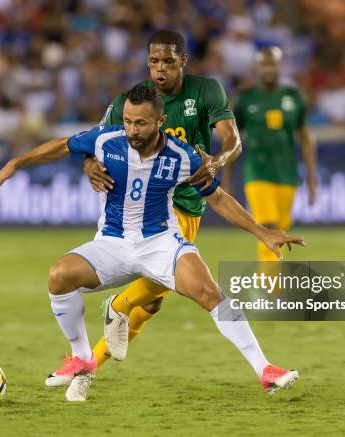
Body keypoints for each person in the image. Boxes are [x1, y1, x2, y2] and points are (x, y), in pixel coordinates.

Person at [0, 84, 304, 401]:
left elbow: (218, 198)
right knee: (58, 277)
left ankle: (264, 369)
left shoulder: (183, 155)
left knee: (209, 292)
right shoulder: (107, 140)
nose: (132, 129)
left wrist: (262, 231)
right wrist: (16, 163)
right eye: (127, 121)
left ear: (160, 121)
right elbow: (62, 146)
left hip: (161, 243)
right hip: (112, 243)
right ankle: (81, 356)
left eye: (140, 123)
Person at [83, 29, 244, 367]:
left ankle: (89, 364)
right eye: (154, 61)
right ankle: (103, 336)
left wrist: (218, 160)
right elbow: (92, 141)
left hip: (187, 201)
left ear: (183, 61)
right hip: (143, 203)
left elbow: (232, 140)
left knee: (153, 302)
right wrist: (89, 164)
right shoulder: (131, 101)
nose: (160, 69)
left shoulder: (205, 91)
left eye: (168, 62)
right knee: (162, 282)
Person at [230, 46, 317, 262]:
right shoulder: (245, 99)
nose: (269, 69)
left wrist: (312, 180)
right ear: (257, 68)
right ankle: (269, 292)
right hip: (257, 173)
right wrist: (227, 179)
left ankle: (272, 287)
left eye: (273, 63)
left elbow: (305, 138)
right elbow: (231, 139)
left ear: (281, 66)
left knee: (279, 232)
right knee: (266, 227)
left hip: (287, 174)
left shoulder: (294, 97)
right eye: (264, 64)